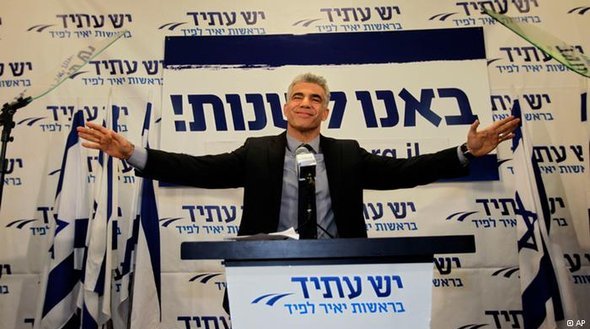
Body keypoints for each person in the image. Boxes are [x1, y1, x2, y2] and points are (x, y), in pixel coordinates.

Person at [77, 73, 520, 239]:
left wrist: (466, 151)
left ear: (326, 111)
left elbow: (408, 170)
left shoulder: (347, 154)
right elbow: (197, 169)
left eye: (315, 99)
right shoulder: (256, 151)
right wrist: (133, 153)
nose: (305, 103)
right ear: (285, 106)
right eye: (298, 97)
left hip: (345, 271)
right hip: (266, 269)